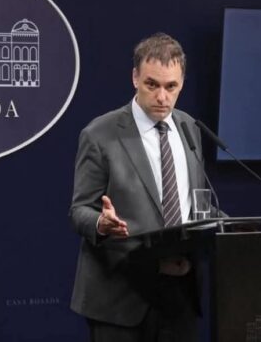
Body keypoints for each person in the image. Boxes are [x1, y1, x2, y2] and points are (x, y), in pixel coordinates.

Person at [69, 33, 210, 342]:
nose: (162, 97)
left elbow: (197, 204)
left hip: (180, 295)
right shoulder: (100, 133)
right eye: (152, 84)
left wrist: (230, 227)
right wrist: (101, 223)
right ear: (135, 78)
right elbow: (79, 210)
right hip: (120, 299)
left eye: (171, 87)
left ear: (182, 84)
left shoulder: (189, 128)